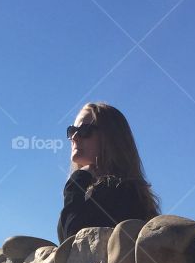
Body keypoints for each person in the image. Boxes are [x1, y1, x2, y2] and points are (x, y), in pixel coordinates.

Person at [57, 102, 161, 242]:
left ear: (110, 137)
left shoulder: (123, 191)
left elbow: (76, 241)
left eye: (84, 130)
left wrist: (77, 180)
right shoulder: (91, 190)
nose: (75, 137)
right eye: (72, 130)